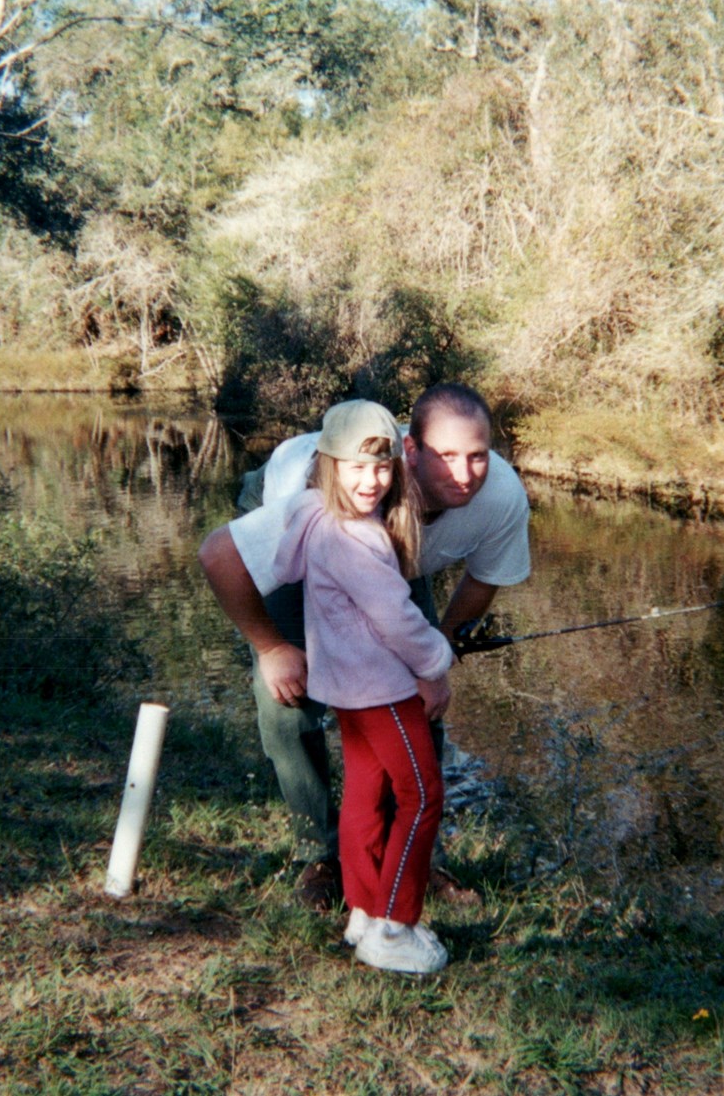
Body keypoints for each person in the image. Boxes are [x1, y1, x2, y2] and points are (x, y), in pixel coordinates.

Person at [198, 383, 531, 910]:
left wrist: (436, 656)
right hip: (303, 523)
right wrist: (270, 649)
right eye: (446, 457)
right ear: (411, 449)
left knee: (421, 699)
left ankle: (416, 856)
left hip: (388, 555)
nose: (465, 475)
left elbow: (484, 577)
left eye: (477, 456)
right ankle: (318, 853)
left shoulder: (502, 497)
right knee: (288, 698)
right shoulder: (321, 500)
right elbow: (219, 556)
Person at [269, 399, 455, 973]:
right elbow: (397, 617)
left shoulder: (313, 516)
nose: (372, 481)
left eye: (383, 468)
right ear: (328, 464)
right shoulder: (357, 538)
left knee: (364, 799)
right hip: (381, 690)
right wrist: (438, 660)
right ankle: (395, 926)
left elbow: (283, 564)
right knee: (422, 797)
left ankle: (362, 911)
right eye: (357, 467)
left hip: (345, 689)